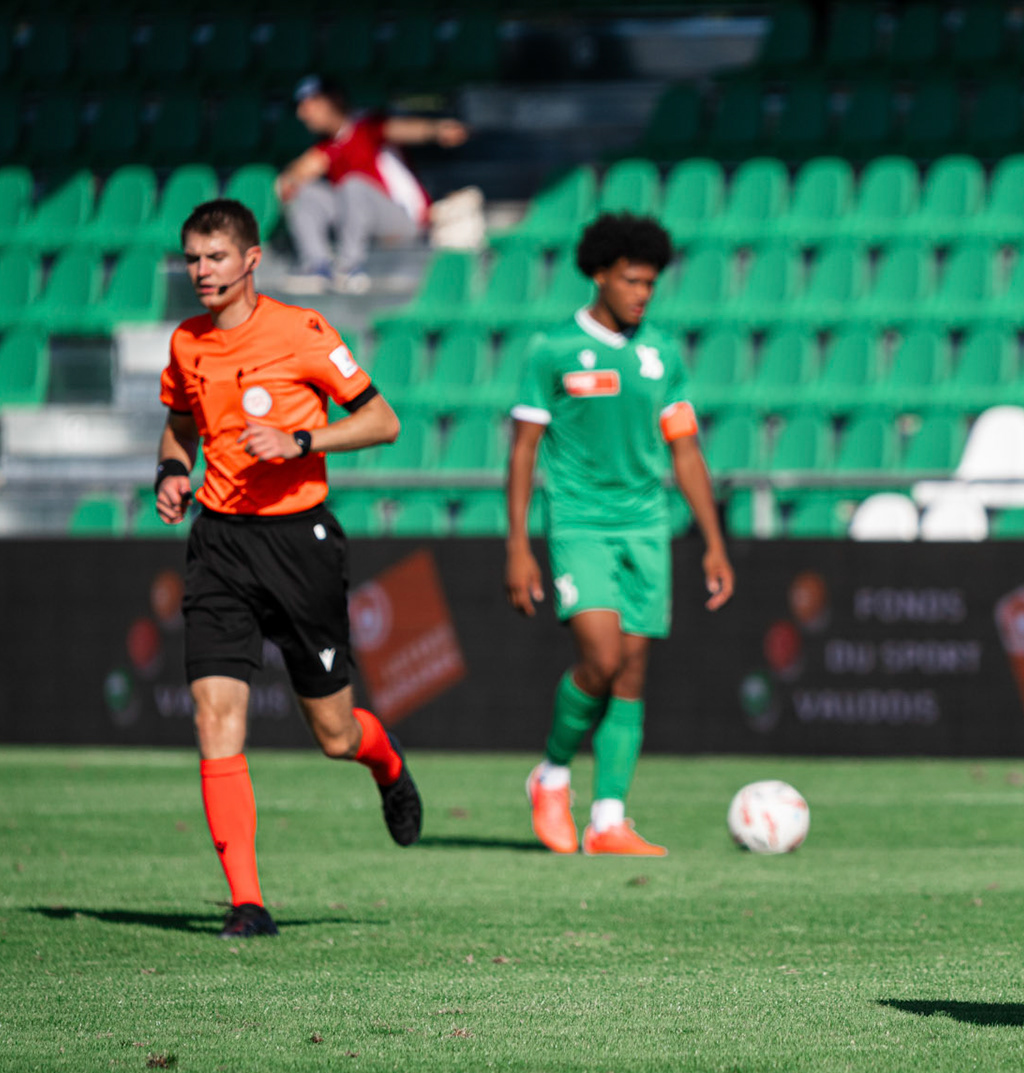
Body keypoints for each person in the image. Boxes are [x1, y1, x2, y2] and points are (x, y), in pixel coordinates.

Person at [155, 199, 423, 939]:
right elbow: (180, 424)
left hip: (298, 544)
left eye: (214, 257)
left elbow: (382, 420)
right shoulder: (185, 343)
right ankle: (248, 902)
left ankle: (386, 765)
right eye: (192, 258)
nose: (201, 271)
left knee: (334, 734)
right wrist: (172, 472)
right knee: (216, 716)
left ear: (251, 260)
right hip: (218, 545)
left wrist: (303, 440)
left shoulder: (303, 331)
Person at [504, 213, 734, 857]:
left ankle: (608, 819)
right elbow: (523, 450)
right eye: (631, 280)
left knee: (631, 671)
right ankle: (551, 776)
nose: (642, 294)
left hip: (646, 527)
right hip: (579, 524)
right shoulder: (550, 350)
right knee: (601, 659)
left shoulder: (662, 354)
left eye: (651, 284)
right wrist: (518, 545)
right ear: (599, 275)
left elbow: (685, 450)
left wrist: (713, 541)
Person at [275, 76, 468, 295]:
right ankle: (318, 266)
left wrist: (436, 130)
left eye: (310, 105)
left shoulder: (367, 126)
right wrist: (288, 181)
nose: (303, 113)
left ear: (333, 101)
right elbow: (300, 170)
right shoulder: (329, 146)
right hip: (366, 222)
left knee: (353, 185)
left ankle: (349, 267)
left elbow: (403, 129)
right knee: (307, 193)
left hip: (404, 219)